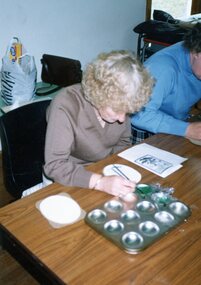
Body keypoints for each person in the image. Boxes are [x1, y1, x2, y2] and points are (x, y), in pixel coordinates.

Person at [43, 50, 153, 198]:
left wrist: (111, 173)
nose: (122, 119)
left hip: (103, 171)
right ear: (99, 95)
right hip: (67, 176)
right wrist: (100, 182)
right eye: (117, 110)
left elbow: (123, 142)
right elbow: (55, 166)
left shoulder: (120, 104)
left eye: (127, 112)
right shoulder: (65, 105)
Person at [131, 22, 201, 144]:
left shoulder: (196, 62)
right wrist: (187, 129)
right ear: (195, 52)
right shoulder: (162, 68)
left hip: (176, 120)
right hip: (145, 127)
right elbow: (139, 115)